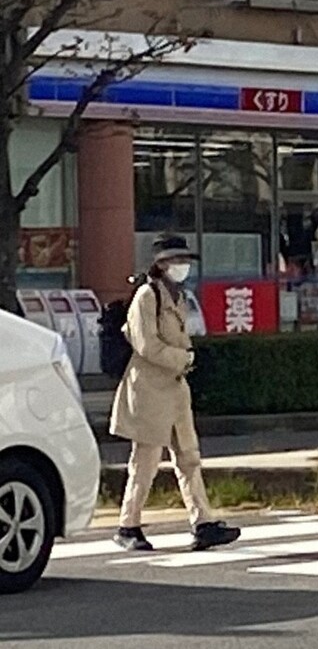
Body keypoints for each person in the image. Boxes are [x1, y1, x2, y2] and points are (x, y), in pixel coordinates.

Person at [110, 233, 241, 552]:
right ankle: (128, 525)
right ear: (161, 264)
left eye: (184, 260)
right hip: (149, 388)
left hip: (175, 387)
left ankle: (203, 523)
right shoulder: (147, 295)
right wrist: (184, 359)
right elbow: (145, 345)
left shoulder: (177, 296)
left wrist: (187, 360)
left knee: (189, 457)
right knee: (146, 460)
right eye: (176, 260)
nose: (182, 266)